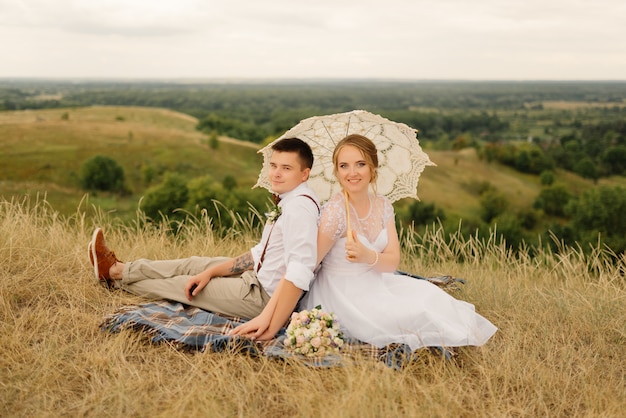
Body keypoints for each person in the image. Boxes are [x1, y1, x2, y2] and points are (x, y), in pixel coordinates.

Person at [89, 137, 320, 341]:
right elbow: (261, 253)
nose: (276, 173)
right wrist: (211, 272)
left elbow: (298, 272)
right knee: (193, 265)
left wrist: (271, 325)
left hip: (260, 297)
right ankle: (120, 269)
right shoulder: (289, 199)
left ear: (304, 174)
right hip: (255, 274)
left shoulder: (299, 209)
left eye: (286, 168)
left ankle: (114, 279)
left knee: (183, 286)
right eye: (274, 165)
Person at [301, 134, 497, 351]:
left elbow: (392, 262)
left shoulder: (383, 206)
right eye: (344, 166)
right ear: (337, 172)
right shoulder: (335, 212)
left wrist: (368, 256)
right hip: (340, 292)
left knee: (431, 298)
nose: (352, 173)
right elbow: (310, 263)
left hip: (376, 280)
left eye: (360, 164)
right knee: (407, 315)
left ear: (373, 168)